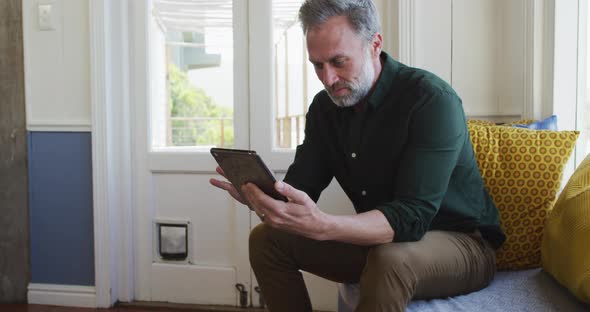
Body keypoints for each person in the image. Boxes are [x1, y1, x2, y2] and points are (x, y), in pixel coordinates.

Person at [210, 0, 506, 311]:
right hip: (378, 241)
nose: (328, 79)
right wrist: (266, 198)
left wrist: (325, 225)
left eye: (339, 62)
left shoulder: (431, 100)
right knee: (266, 240)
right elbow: (302, 186)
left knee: (390, 260)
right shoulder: (324, 109)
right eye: (317, 65)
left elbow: (412, 216)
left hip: (461, 244)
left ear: (374, 44)